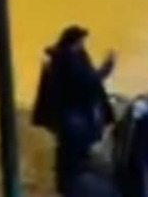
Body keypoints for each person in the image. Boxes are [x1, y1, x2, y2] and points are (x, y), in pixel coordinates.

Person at [32, 25, 117, 196]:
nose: (83, 45)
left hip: (67, 112)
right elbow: (88, 81)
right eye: (81, 41)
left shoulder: (62, 58)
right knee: (72, 147)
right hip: (73, 114)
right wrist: (107, 67)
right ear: (74, 42)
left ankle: (67, 174)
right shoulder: (69, 61)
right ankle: (70, 178)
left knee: (66, 147)